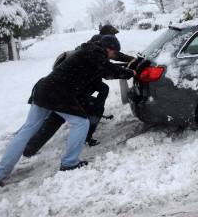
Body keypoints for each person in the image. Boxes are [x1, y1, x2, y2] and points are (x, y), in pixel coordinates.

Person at [0, 35, 135, 189]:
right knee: (81, 123)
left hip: (43, 88)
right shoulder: (95, 54)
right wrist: (131, 73)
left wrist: (126, 67)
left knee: (27, 130)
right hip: (57, 93)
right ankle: (69, 163)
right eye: (114, 53)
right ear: (109, 49)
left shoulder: (89, 50)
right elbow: (108, 70)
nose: (113, 56)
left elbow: (107, 67)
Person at [23, 25, 136, 154]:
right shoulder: (99, 46)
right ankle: (31, 147)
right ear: (107, 36)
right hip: (72, 86)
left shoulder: (96, 44)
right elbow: (108, 66)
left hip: (76, 83)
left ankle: (30, 146)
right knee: (57, 116)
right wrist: (128, 68)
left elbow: (110, 62)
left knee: (101, 93)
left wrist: (130, 61)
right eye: (114, 35)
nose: (115, 37)